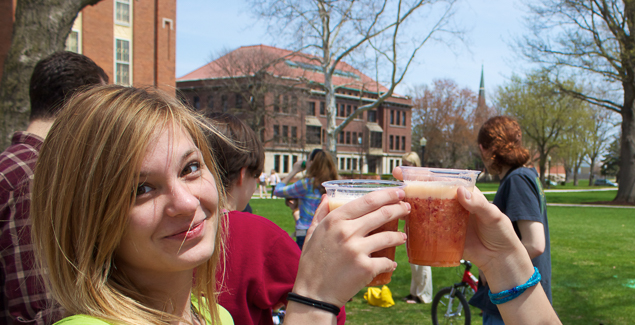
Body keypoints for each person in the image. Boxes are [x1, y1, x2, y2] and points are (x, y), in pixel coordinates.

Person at [31, 85, 408, 325]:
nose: (184, 201)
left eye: (191, 168)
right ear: (87, 219)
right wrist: (311, 301)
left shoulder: (213, 316)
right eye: (142, 188)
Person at [203, 113, 346, 325]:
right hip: (320, 235)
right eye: (257, 175)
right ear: (243, 175)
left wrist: (293, 172)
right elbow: (329, 309)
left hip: (302, 229)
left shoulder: (172, 234)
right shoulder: (260, 236)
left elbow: (278, 190)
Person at [1, 51, 107, 324]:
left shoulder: (12, 165)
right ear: (79, 107)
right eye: (99, 110)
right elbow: (37, 308)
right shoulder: (36, 178)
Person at [469, 116, 552, 325]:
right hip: (518, 300)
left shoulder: (518, 179)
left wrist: (492, 265)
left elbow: (535, 243)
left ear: (485, 149)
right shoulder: (524, 176)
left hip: (516, 302)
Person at [273, 149, 338, 249]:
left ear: (311, 163)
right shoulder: (335, 185)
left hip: (306, 233)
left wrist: (294, 171)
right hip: (327, 231)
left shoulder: (307, 184)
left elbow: (278, 191)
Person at [400, 152, 432, 304]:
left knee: (422, 262)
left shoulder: (422, 181)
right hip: (411, 223)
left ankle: (423, 295)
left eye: (408, 164)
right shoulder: (408, 182)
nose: (405, 167)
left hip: (423, 225)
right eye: (403, 164)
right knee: (413, 260)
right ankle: (414, 293)